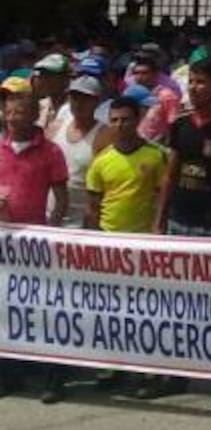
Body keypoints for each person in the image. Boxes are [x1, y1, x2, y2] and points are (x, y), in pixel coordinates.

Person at [146, 57, 211, 406]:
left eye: (201, 82)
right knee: (177, 303)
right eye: (191, 81)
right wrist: (160, 218)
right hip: (181, 221)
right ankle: (176, 374)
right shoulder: (178, 123)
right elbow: (172, 171)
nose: (194, 87)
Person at [0, 79, 69, 402]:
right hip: (4, 244)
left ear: (33, 116)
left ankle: (52, 377)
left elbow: (61, 196)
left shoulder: (51, 151)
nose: (13, 118)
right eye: (9, 112)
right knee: (6, 309)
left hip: (37, 242)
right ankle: (10, 374)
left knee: (44, 309)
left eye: (20, 112)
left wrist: (52, 233)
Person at [85, 96, 166, 235]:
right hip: (108, 234)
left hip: (143, 235)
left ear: (137, 120)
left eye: (125, 119)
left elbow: (162, 198)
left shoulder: (156, 156)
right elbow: (93, 206)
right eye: (114, 120)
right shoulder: (100, 160)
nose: (119, 124)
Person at [51, 76, 110, 227]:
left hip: (81, 222)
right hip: (49, 217)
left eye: (86, 98)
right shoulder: (55, 127)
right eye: (75, 97)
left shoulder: (105, 135)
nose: (79, 103)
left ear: (97, 101)